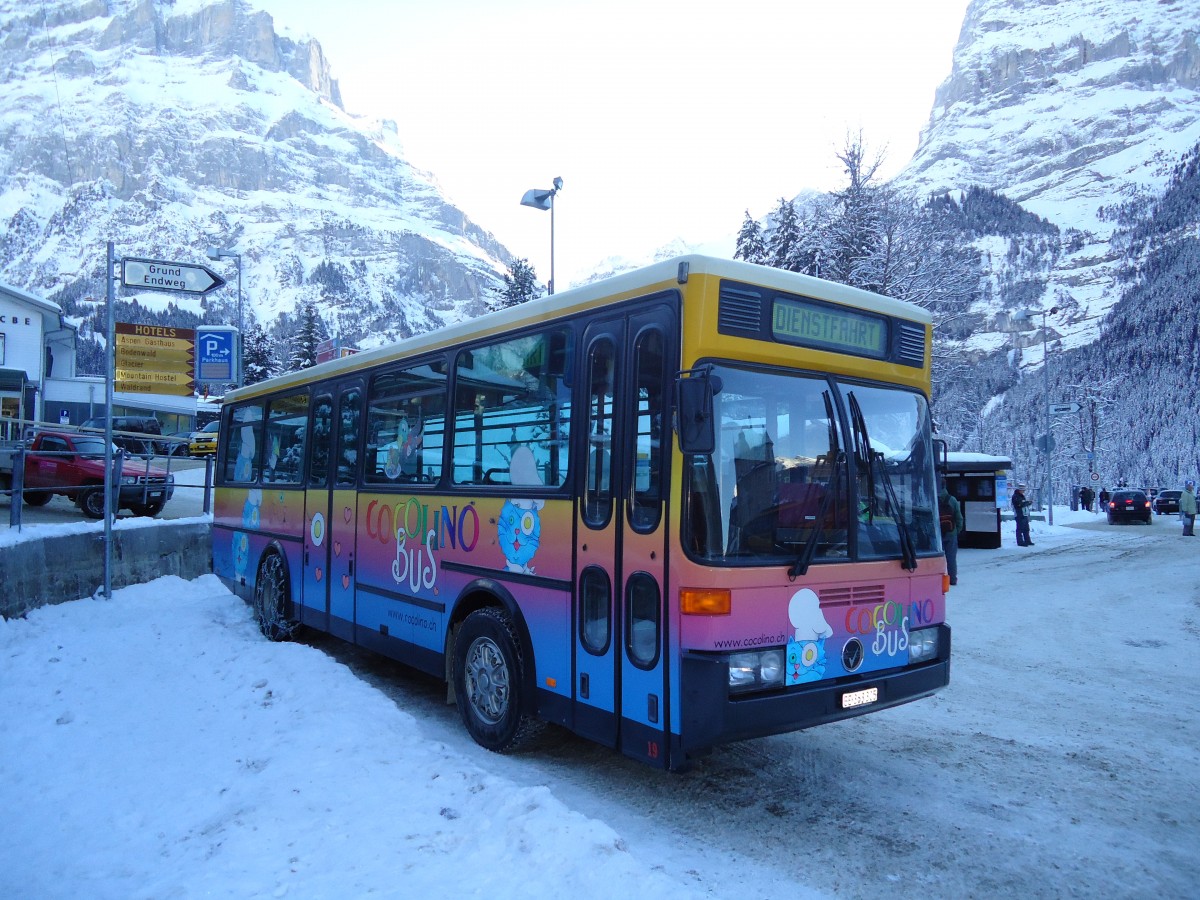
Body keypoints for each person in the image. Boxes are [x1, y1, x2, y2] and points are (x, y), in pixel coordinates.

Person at [938, 480, 964, 584]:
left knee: (936, 558)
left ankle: (936, 579)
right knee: (951, 558)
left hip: (937, 534)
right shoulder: (952, 500)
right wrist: (956, 530)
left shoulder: (932, 498)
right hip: (950, 532)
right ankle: (952, 579)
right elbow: (959, 517)